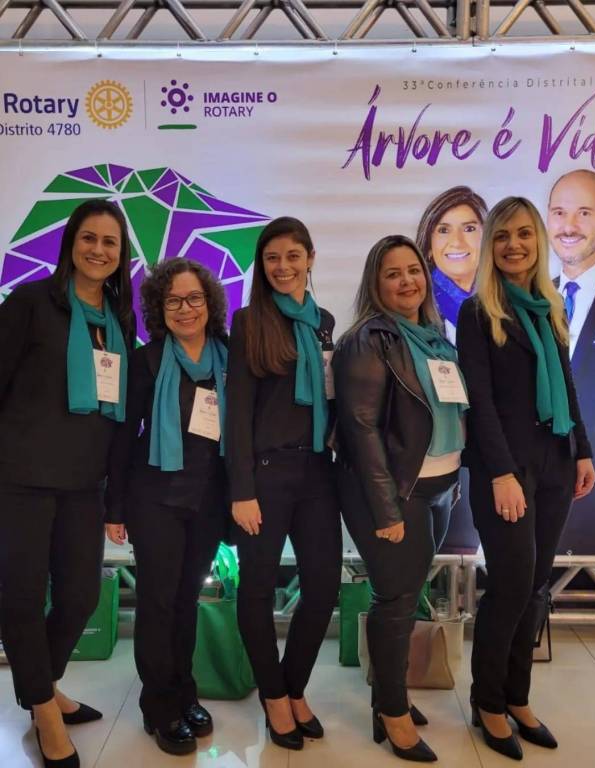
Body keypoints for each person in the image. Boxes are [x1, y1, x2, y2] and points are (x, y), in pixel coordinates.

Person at [457, 197, 595, 760]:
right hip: (507, 471)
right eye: (502, 236)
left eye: (523, 234)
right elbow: (480, 401)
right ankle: (487, 701)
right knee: (511, 586)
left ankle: (517, 696)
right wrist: (501, 473)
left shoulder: (548, 306)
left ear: (537, 241)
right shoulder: (477, 312)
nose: (513, 245)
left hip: (555, 462)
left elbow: (566, 384)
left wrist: (582, 451)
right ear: (490, 246)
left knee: (536, 586)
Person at [0, 199, 134, 768]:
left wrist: (116, 495)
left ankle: (42, 684)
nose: (98, 250)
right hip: (20, 478)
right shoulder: (30, 302)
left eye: (110, 242)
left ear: (121, 254)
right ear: (70, 244)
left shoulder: (120, 320)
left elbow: (119, 416)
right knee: (22, 598)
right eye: (88, 238)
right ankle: (44, 709)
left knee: (81, 595)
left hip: (84, 483)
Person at [334, 234, 466, 763]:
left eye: (414, 270)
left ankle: (386, 698)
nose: (407, 281)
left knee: (407, 596)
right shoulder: (367, 340)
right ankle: (392, 714)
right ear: (376, 283)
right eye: (393, 273)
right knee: (395, 600)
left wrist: (452, 482)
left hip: (438, 486)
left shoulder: (435, 337)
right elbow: (361, 429)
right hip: (395, 492)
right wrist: (386, 509)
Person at [225, 216, 341, 751]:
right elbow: (238, 412)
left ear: (310, 258)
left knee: (323, 586)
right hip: (266, 475)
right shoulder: (249, 321)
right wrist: (241, 489)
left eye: (293, 255)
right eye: (272, 258)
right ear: (262, 265)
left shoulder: (324, 322)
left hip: (318, 470)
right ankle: (273, 695)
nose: (283, 266)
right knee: (256, 588)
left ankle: (293, 687)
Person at [105, 258, 229, 756]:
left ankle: (184, 692)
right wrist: (113, 507)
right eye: (172, 300)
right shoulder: (147, 360)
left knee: (186, 601)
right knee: (157, 604)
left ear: (209, 303)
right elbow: (122, 438)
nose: (184, 308)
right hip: (154, 499)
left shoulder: (229, 356)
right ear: (159, 307)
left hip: (208, 500)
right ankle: (158, 705)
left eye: (194, 298)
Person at [547, 170, 595, 554]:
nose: (568, 226)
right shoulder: (534, 300)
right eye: (559, 213)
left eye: (584, 213)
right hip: (546, 500)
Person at [416, 186, 488, 344]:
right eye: (443, 230)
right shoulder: (414, 306)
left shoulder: (507, 301)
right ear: (429, 247)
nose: (457, 242)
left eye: (469, 229)